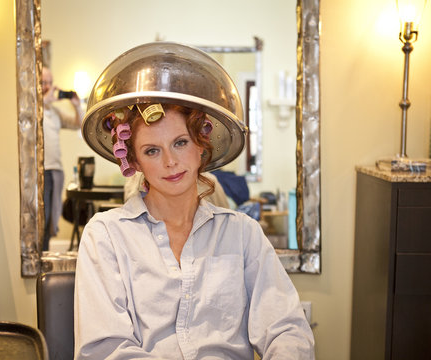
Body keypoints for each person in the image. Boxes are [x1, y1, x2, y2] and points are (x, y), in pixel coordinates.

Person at [74, 42, 314, 359]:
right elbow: (105, 350)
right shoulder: (105, 236)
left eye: (181, 142)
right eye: (152, 151)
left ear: (201, 147)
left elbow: (287, 330)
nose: (170, 162)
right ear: (135, 162)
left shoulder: (243, 234)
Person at [42, 66, 83, 251]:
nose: (47, 86)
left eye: (50, 82)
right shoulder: (30, 108)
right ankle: (40, 254)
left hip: (55, 171)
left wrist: (77, 105)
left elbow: (78, 124)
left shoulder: (55, 111)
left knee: (51, 218)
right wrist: (43, 101)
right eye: (43, 82)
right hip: (42, 171)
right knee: (42, 219)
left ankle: (45, 250)